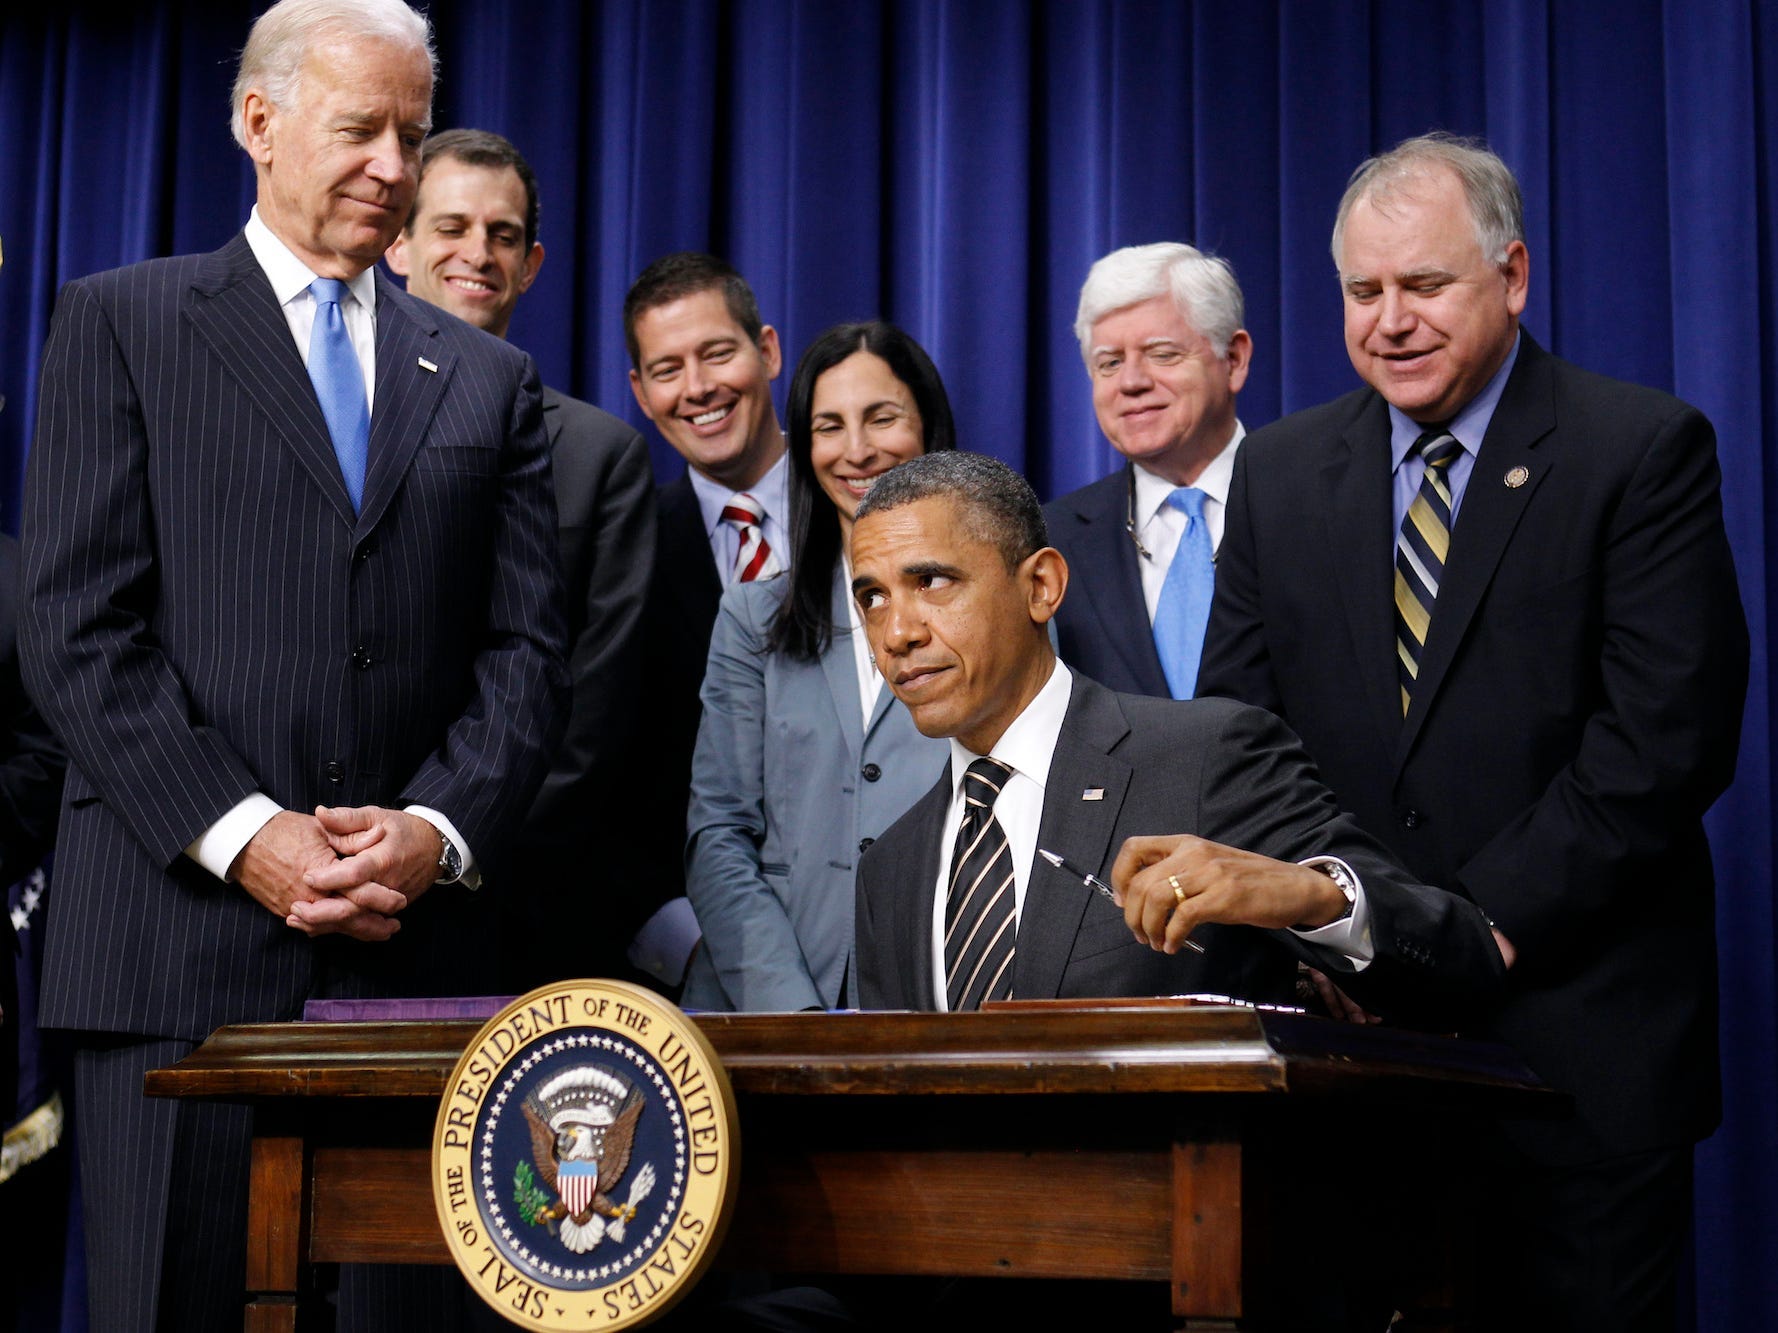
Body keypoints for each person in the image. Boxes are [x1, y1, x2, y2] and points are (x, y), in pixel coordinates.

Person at [18, 2, 566, 1328]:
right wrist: (244, 833)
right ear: (257, 125)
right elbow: (76, 626)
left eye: (412, 134)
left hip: (408, 969)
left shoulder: (489, 380)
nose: (395, 164)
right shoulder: (121, 325)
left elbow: (526, 652)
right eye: (359, 128)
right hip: (172, 963)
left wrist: (434, 831)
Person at [1199, 132, 1749, 1331]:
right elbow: (1243, 739)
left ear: (1510, 277)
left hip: (1575, 1069)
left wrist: (1468, 930)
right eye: (1360, 291)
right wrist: (1346, 926)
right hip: (1348, 1060)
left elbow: (1662, 740)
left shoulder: (1637, 450)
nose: (1387, 320)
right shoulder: (1279, 472)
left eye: (1423, 285)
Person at [849, 452, 1506, 1020]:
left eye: (931, 581)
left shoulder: (1205, 757)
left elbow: (1462, 965)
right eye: (872, 597)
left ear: (1042, 586)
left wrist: (1315, 896)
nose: (897, 631)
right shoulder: (891, 868)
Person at [387, 128, 656, 989]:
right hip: (324, 889)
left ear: (532, 263)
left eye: (503, 236)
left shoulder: (600, 454)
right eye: (452, 227)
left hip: (511, 910)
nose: (478, 253)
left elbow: (593, 716)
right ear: (398, 241)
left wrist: (442, 845)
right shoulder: (324, 418)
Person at [683, 323, 954, 1012]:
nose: (857, 450)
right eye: (829, 426)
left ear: (929, 429)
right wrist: (791, 1013)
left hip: (933, 1001)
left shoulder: (1000, 607)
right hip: (760, 1003)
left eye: (881, 418)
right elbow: (718, 834)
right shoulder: (752, 616)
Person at [622, 253, 788, 988]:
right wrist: (687, 943)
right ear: (640, 392)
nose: (698, 388)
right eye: (667, 368)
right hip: (689, 967)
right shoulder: (619, 550)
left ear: (768, 351)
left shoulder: (870, 517)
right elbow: (597, 774)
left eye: (718, 352)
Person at [1045, 242, 1252, 699]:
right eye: (1110, 363)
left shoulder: (1312, 505)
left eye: (1162, 354)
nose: (1132, 382)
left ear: (1233, 360)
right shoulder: (1049, 539)